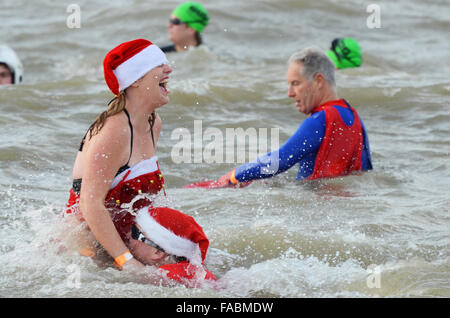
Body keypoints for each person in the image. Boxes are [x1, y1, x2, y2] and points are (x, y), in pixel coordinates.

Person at [66, 38, 172, 272]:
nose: (169, 69)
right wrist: (127, 262)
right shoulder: (113, 131)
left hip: (122, 243)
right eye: (159, 64)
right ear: (135, 79)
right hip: (88, 250)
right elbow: (90, 204)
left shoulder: (153, 123)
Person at [214, 46, 372, 186]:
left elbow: (279, 160)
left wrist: (234, 176)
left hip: (315, 207)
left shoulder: (319, 121)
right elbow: (364, 171)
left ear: (318, 81)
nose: (289, 93)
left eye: (296, 84)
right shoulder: (354, 117)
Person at [116, 205, 216, 285]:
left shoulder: (166, 274)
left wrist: (123, 259)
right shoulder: (191, 271)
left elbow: (138, 273)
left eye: (135, 233)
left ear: (157, 252)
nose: (128, 235)